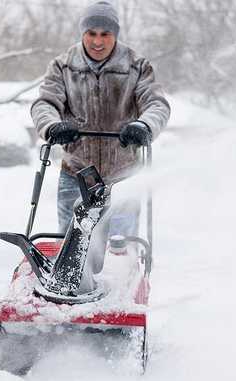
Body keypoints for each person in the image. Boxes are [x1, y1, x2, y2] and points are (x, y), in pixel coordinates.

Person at [31, 0, 170, 235]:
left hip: (123, 173)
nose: (97, 41)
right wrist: (53, 126)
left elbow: (157, 104)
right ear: (83, 33)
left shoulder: (137, 66)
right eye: (91, 33)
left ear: (114, 34)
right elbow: (45, 103)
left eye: (105, 34)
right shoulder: (63, 66)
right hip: (76, 172)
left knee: (121, 245)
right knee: (71, 247)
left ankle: (122, 268)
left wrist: (143, 125)